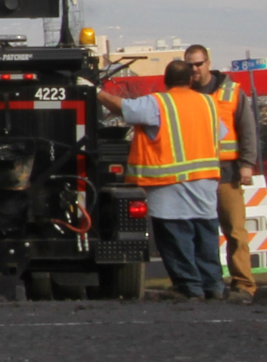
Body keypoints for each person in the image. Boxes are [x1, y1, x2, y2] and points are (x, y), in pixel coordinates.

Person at [97, 60, 225, 300]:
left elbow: (122, 108)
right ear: (190, 79)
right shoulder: (209, 102)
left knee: (176, 236)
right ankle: (213, 286)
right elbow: (220, 134)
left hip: (168, 182)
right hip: (205, 180)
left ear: (166, 80)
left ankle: (189, 287)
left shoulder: (159, 103)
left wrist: (95, 91)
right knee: (205, 234)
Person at [186, 45, 259, 303]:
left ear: (208, 63)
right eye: (190, 65)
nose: (194, 69)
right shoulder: (184, 95)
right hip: (195, 175)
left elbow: (247, 129)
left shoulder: (232, 92)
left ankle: (243, 285)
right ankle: (208, 285)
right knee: (199, 233)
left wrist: (247, 163)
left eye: (198, 64)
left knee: (235, 232)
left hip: (227, 174)